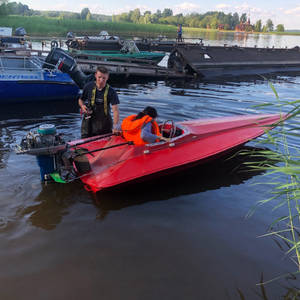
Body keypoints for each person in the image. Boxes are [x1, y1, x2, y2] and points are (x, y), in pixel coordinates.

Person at [78, 66, 120, 138]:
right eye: (99, 77)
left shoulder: (111, 92)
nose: (101, 80)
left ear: (107, 77)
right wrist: (82, 106)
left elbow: (115, 111)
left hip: (104, 124)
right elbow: (80, 100)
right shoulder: (88, 87)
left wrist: (116, 127)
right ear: (95, 75)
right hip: (88, 122)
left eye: (104, 78)